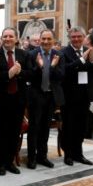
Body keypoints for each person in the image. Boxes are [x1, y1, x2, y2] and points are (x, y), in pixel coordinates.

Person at [0, 27, 29, 175]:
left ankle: (10, 161)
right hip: (1, 99)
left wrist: (19, 73)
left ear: (16, 39)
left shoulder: (23, 55)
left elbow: (30, 74)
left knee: (14, 131)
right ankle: (0, 163)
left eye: (10, 36)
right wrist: (8, 74)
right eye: (4, 36)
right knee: (0, 131)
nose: (7, 39)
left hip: (18, 99)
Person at [60, 27, 93, 165]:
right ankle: (68, 154)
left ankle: (78, 154)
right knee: (69, 126)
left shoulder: (90, 50)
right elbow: (66, 70)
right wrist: (82, 59)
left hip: (85, 95)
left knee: (82, 126)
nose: (76, 39)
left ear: (83, 37)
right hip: (69, 96)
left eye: (79, 36)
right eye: (73, 37)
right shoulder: (64, 52)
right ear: (69, 38)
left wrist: (92, 60)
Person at [26, 30, 63, 169]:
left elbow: (60, 76)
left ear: (53, 40)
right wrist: (40, 66)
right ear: (39, 40)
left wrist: (51, 66)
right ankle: (31, 158)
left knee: (45, 128)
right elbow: (30, 76)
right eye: (43, 39)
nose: (46, 42)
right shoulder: (32, 54)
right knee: (34, 128)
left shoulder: (59, 55)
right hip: (36, 95)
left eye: (49, 39)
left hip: (51, 96)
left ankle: (42, 156)